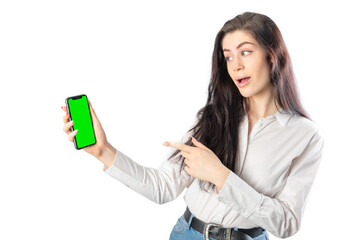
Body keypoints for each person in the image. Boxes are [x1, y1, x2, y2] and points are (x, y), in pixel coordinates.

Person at [62, 12, 324, 240]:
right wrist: (103, 151)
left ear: (272, 55)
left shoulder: (305, 136)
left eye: (245, 52)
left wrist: (220, 176)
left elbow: (287, 223)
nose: (236, 66)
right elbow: (162, 187)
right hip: (186, 235)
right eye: (228, 57)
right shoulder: (213, 117)